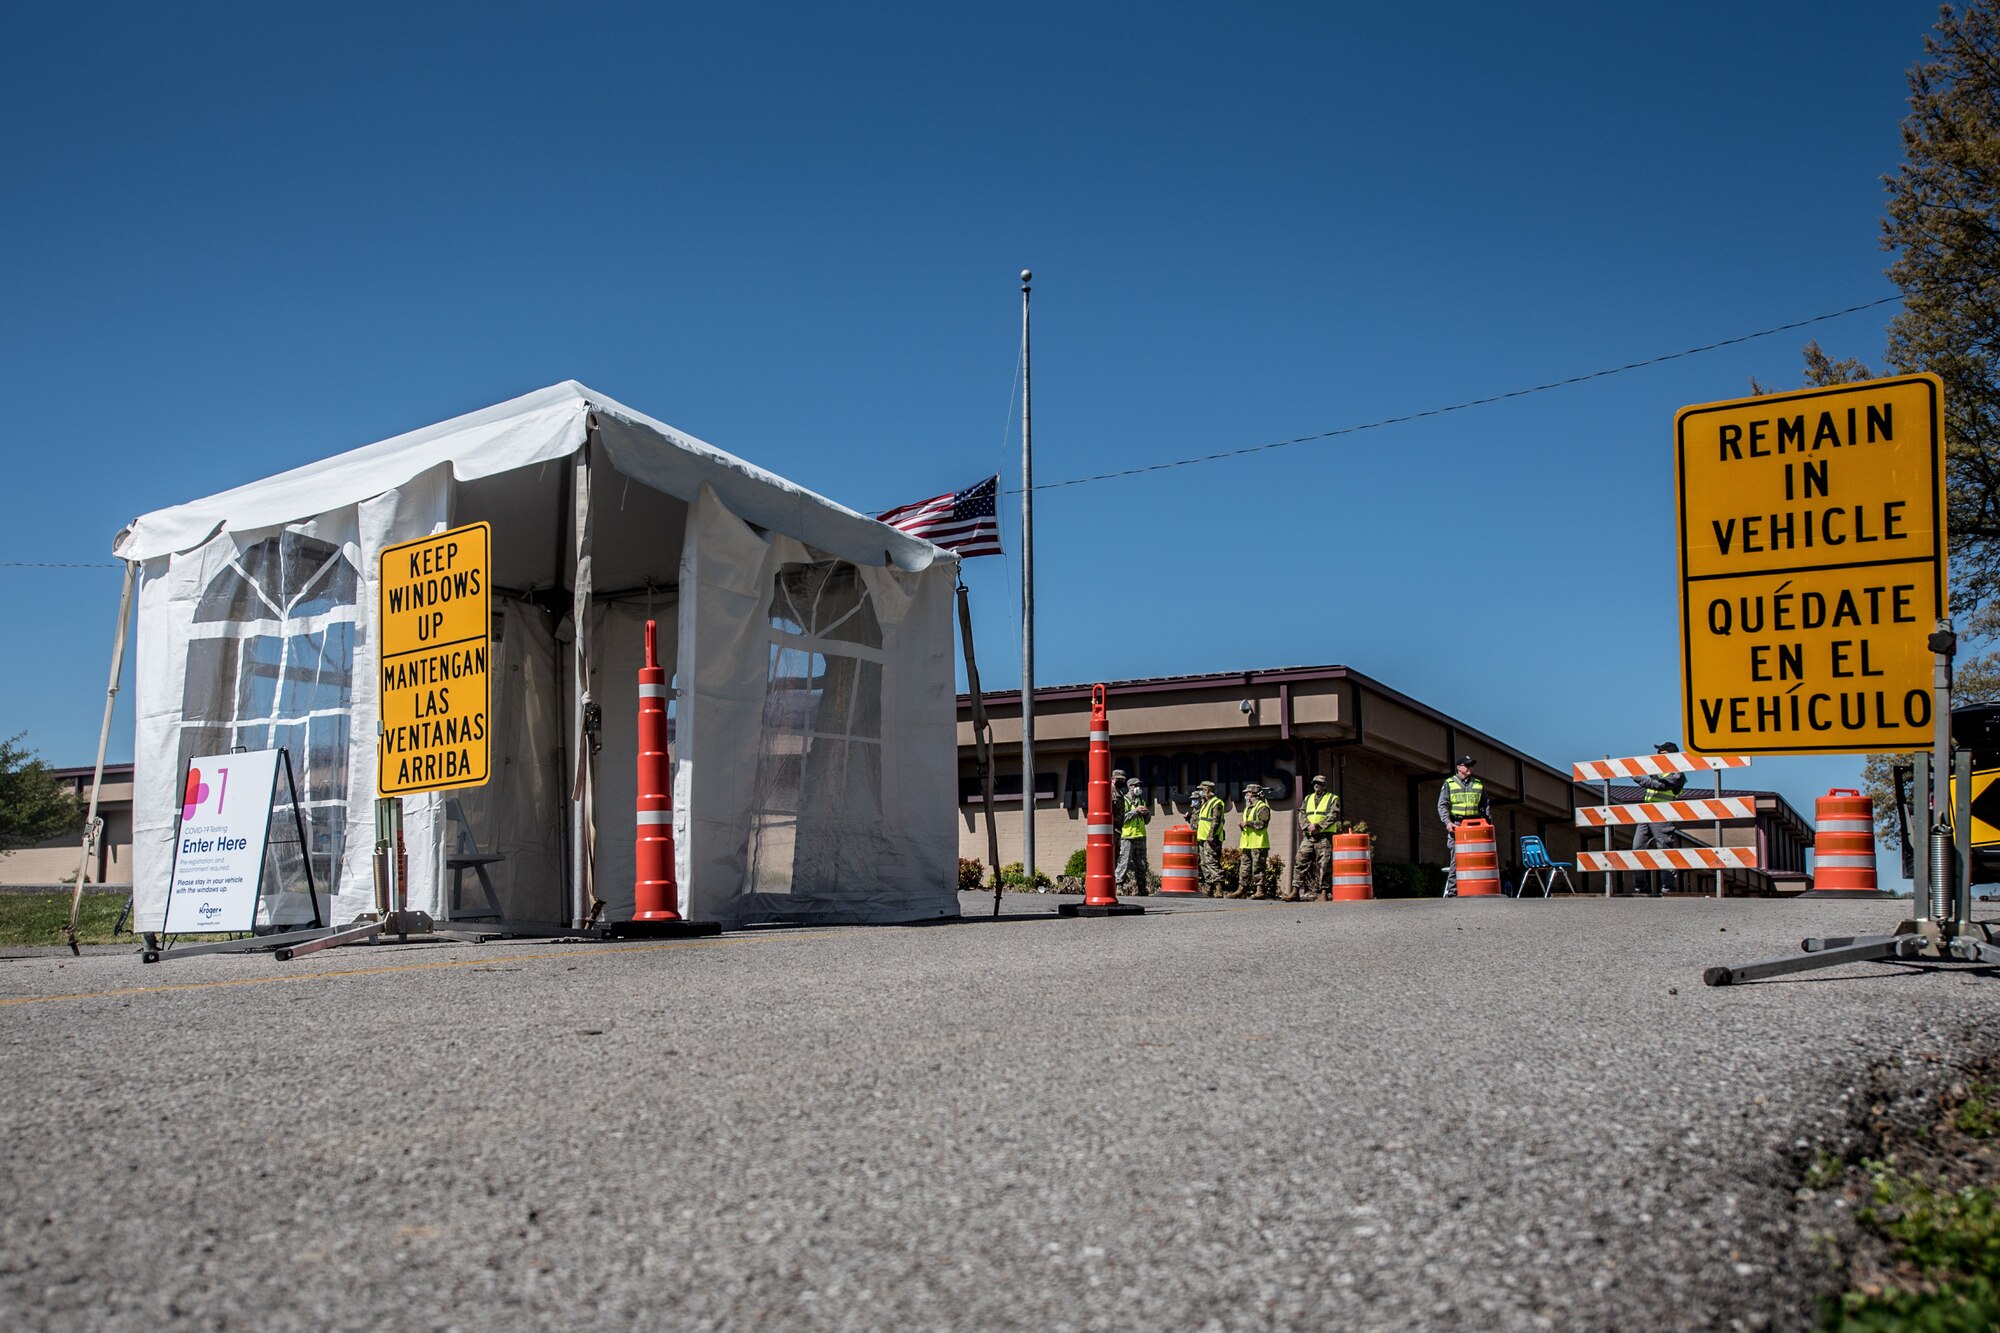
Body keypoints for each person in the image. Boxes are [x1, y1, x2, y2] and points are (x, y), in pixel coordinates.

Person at [1631, 742, 1687, 896]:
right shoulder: (1657, 771)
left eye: (1662, 753)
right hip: (1646, 813)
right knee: (1638, 848)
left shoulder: (1677, 775)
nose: (1658, 757)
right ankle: (1640, 886)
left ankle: (1668, 887)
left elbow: (1660, 786)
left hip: (1662, 815)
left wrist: (1636, 778)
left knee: (1664, 849)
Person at [1438, 756, 1489, 896]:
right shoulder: (1449, 783)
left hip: (1474, 826)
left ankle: (1476, 890)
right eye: (1466, 765)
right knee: (1457, 859)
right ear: (1459, 767)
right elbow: (1442, 805)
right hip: (1457, 825)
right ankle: (1453, 892)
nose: (1469, 768)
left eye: (1471, 765)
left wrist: (1487, 824)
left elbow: (1485, 806)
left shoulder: (1478, 784)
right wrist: (1448, 822)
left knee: (1477, 858)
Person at [1288, 775, 1339, 901]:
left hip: (1324, 836)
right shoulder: (1308, 798)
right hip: (1309, 836)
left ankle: (1323, 892)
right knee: (1300, 861)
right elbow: (1302, 813)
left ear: (1325, 785)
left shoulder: (1332, 798)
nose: (1317, 785)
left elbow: (1332, 816)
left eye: (1320, 783)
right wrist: (1306, 827)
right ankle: (1295, 891)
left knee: (1324, 865)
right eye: (1315, 782)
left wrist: (1318, 826)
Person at [1230, 784, 1274, 899]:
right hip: (1247, 843)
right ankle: (1241, 889)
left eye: (1248, 793)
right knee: (1244, 867)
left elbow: (1262, 824)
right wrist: (1242, 824)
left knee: (1258, 867)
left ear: (1253, 794)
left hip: (1259, 843)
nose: (1246, 795)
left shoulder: (1262, 807)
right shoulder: (1248, 808)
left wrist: (1247, 823)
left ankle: (1260, 890)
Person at [1190, 780, 1227, 896]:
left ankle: (1218, 887)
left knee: (1212, 863)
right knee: (1204, 864)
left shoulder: (1217, 803)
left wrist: (1211, 837)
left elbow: (1215, 822)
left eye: (1202, 790)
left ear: (1206, 790)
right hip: (1202, 838)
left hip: (1211, 839)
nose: (1201, 793)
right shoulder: (1206, 803)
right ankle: (1209, 886)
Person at [1115, 776, 1151, 896]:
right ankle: (1118, 886)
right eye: (1135, 786)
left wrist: (1146, 814)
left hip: (1140, 836)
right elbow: (1121, 819)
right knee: (1124, 862)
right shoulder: (1123, 801)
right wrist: (1134, 812)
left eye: (1139, 786)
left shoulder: (1141, 801)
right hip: (1127, 837)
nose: (1138, 788)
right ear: (1129, 787)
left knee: (1141, 864)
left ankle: (1142, 888)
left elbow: (1146, 821)